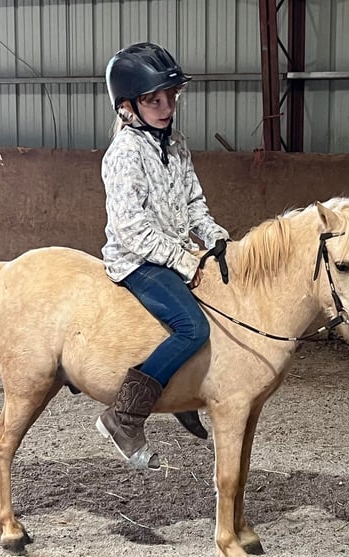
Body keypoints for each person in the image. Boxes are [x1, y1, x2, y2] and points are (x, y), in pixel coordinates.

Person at [97, 42, 230, 471]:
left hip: (175, 251)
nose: (166, 105)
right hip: (137, 260)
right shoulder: (124, 154)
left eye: (170, 96)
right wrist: (182, 258)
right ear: (128, 106)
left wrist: (214, 238)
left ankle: (176, 392)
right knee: (192, 327)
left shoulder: (175, 144)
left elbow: (193, 202)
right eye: (154, 99)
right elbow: (130, 228)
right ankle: (125, 415)